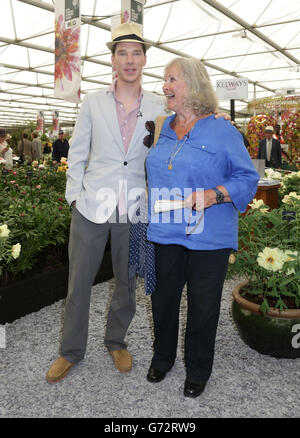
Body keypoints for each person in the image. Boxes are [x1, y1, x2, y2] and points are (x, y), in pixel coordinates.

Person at [46, 23, 230, 384]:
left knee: (127, 280)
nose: (129, 60)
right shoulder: (93, 103)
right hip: (91, 205)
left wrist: (215, 118)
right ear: (112, 60)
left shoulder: (161, 105)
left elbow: (192, 124)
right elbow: (78, 153)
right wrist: (73, 197)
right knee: (78, 280)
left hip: (136, 206)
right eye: (122, 53)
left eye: (136, 53)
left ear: (145, 59)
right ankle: (70, 351)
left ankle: (116, 340)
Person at [145, 57, 259, 398]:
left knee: (203, 304)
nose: (165, 85)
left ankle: (198, 368)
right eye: (165, 79)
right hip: (166, 230)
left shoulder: (223, 130)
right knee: (163, 299)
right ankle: (163, 357)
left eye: (172, 79)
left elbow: (247, 179)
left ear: (193, 86)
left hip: (209, 236)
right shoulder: (163, 126)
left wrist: (215, 194)